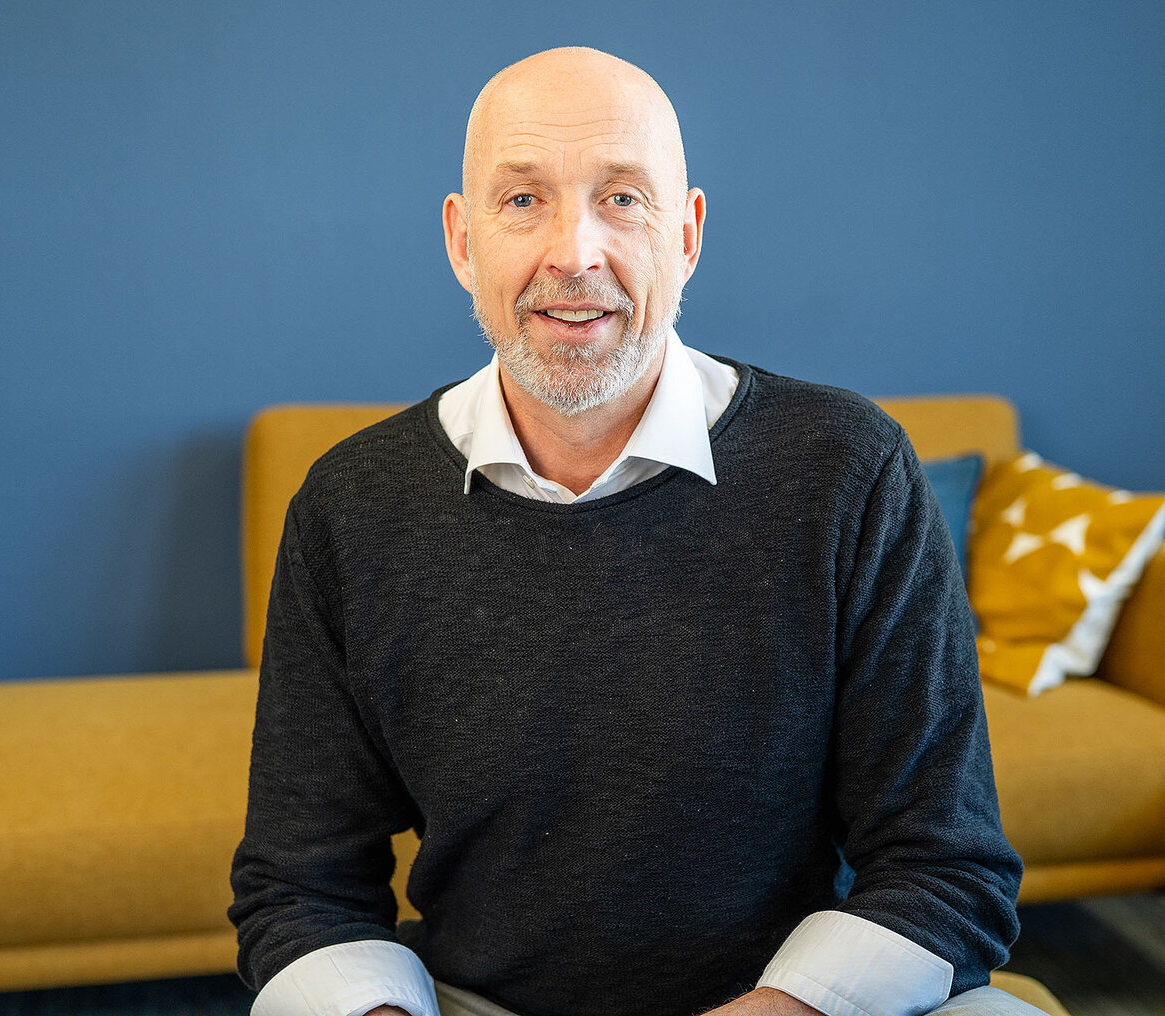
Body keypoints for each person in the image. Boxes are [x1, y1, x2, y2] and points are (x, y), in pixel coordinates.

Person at [230, 46, 1041, 1016]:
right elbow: (301, 886)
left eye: (622, 199)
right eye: (522, 201)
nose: (574, 254)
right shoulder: (349, 505)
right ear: (461, 240)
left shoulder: (848, 470)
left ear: (687, 234)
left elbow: (945, 865)